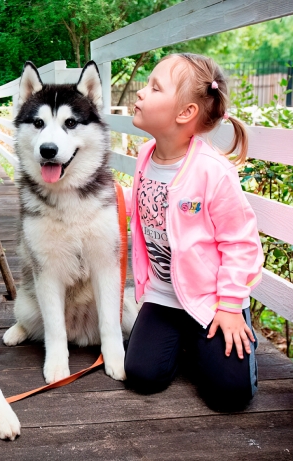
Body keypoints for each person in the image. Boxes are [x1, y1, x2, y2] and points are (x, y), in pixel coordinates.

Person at [121, 53, 264, 410]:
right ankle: (185, 337)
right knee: (142, 375)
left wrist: (230, 306)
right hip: (165, 294)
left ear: (185, 113)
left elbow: (241, 243)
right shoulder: (145, 156)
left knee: (230, 395)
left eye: (155, 87)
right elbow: (150, 208)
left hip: (212, 299)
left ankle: (221, 342)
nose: (141, 92)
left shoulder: (212, 172)